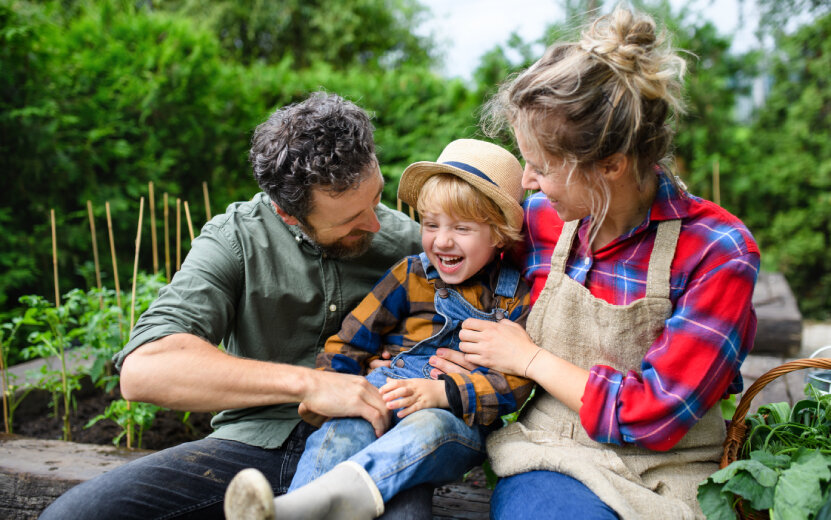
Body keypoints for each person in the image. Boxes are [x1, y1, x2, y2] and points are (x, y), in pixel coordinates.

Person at [428, 8, 761, 520]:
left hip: (668, 472)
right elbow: (458, 270)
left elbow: (656, 417)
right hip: (549, 457)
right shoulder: (539, 222)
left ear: (610, 165)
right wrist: (453, 354)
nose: (528, 183)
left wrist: (529, 359)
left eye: (541, 167)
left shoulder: (717, 251)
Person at [39, 92, 431, 520]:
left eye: (375, 199)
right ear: (288, 213)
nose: (375, 224)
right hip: (249, 447)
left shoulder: (415, 246)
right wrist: (312, 384)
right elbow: (144, 369)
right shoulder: (235, 239)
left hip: (372, 449)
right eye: (350, 222)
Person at [223, 138, 534, 520]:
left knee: (429, 426)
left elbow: (515, 384)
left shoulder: (511, 298)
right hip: (383, 397)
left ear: (499, 234)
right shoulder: (408, 275)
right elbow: (351, 339)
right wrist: (329, 386)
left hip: (453, 422)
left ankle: (333, 499)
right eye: (431, 224)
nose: (442, 240)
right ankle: (295, 508)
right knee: (343, 428)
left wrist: (444, 392)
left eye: (462, 228)